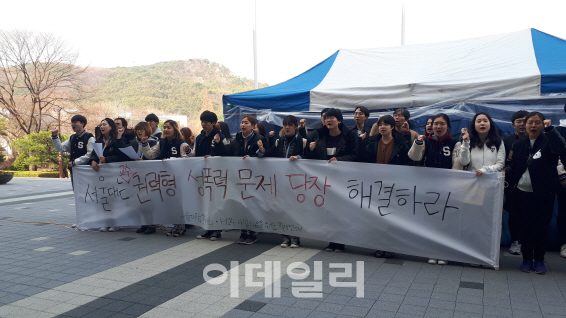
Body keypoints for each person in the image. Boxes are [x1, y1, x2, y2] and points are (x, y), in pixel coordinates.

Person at [504, 112, 566, 274]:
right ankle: (526, 259)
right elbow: (511, 164)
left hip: (544, 193)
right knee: (524, 227)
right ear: (524, 125)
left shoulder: (549, 143)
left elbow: (562, 148)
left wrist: (550, 130)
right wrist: (503, 174)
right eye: (530, 122)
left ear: (542, 124)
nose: (533, 126)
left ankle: (539, 259)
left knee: (541, 227)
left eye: (537, 122)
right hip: (521, 192)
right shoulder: (517, 145)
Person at [408, 113, 462, 265]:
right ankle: (431, 250)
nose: (438, 127)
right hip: (429, 186)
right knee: (430, 218)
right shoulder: (425, 141)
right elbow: (415, 157)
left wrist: (454, 185)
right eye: (435, 124)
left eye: (442, 124)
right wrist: (418, 143)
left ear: (448, 126)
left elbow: (457, 166)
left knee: (445, 219)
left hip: (447, 187)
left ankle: (443, 251)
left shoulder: (454, 143)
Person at [304, 108, 357, 252]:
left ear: (339, 120)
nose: (328, 120)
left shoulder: (350, 136)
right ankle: (332, 240)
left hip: (342, 180)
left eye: (332, 117)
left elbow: (356, 155)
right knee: (328, 211)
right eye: (326, 118)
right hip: (324, 181)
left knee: (341, 211)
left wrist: (339, 160)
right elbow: (310, 159)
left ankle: (341, 241)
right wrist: (310, 149)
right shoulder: (317, 136)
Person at [359, 115, 411, 258]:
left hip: (393, 185)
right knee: (376, 216)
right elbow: (364, 160)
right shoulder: (371, 142)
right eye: (380, 124)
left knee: (392, 216)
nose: (382, 126)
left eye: (386, 124)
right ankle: (378, 245)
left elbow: (408, 163)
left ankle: (390, 246)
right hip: (375, 185)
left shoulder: (401, 143)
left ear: (392, 127)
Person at [216, 115, 267, 245]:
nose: (243, 125)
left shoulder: (260, 139)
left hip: (254, 179)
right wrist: (218, 144)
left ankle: (252, 232)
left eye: (246, 123)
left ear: (253, 126)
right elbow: (227, 153)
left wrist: (257, 154)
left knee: (252, 205)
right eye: (242, 122)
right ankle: (244, 231)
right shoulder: (236, 139)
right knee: (242, 205)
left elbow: (267, 157)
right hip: (239, 178)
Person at [257, 115, 306, 248]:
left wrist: (299, 157)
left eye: (290, 124)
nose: (287, 127)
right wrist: (261, 150)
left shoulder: (303, 141)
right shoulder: (279, 141)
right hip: (281, 180)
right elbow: (269, 154)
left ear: (295, 126)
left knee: (295, 209)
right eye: (285, 124)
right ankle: (285, 237)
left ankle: (295, 237)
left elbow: (309, 158)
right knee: (282, 208)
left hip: (296, 182)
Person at [141, 120, 193, 237]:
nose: (165, 129)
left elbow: (187, 160)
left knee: (178, 203)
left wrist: (170, 161)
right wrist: (144, 145)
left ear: (175, 129)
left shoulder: (182, 143)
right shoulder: (162, 142)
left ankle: (181, 227)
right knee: (170, 203)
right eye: (164, 127)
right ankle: (176, 226)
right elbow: (151, 155)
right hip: (166, 178)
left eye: (169, 127)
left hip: (179, 178)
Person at [89, 118, 131, 232]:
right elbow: (94, 154)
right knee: (104, 198)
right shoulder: (99, 140)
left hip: (114, 174)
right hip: (101, 175)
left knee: (115, 198)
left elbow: (122, 156)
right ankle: (106, 221)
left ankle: (117, 222)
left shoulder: (117, 139)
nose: (102, 127)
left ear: (111, 127)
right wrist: (93, 161)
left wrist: (107, 159)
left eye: (104, 125)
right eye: (101, 125)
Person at [194, 111, 226, 241]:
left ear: (213, 123)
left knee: (216, 202)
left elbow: (226, 154)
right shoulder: (199, 137)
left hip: (216, 175)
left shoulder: (221, 136)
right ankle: (208, 228)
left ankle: (217, 230)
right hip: (202, 174)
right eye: (202, 121)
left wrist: (217, 146)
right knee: (205, 202)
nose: (203, 124)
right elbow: (196, 155)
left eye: (206, 122)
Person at [502, 110, 529, 255]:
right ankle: (515, 241)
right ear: (513, 125)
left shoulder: (540, 140)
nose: (522, 124)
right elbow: (505, 163)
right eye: (519, 121)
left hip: (533, 185)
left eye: (525, 121)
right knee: (514, 214)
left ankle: (529, 243)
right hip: (513, 185)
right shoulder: (507, 142)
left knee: (531, 214)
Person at [51, 114, 95, 191]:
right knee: (77, 193)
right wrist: (55, 137)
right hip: (74, 171)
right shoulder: (72, 138)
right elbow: (60, 148)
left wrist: (75, 162)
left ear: (82, 124)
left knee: (86, 192)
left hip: (85, 171)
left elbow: (89, 154)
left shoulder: (89, 137)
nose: (73, 124)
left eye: (75, 122)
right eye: (72, 122)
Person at [557, 104, 566, 258]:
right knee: (564, 212)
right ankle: (564, 244)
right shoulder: (559, 130)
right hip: (564, 181)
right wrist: (563, 176)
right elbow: (556, 155)